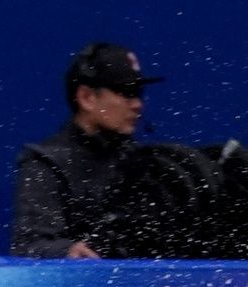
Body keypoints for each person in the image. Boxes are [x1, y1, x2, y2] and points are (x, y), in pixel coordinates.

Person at [10, 42, 161, 260]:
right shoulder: (47, 163)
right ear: (86, 98)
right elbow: (29, 246)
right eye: (126, 92)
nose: (137, 104)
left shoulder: (142, 162)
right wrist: (66, 252)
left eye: (139, 93)